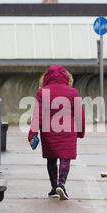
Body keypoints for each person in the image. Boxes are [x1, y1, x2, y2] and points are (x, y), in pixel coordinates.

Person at [28, 65, 85, 200]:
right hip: (68, 131)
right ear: (67, 77)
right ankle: (61, 184)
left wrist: (32, 134)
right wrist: (80, 132)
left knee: (51, 159)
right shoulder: (73, 92)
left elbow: (38, 115)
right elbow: (79, 115)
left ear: (46, 77)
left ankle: (54, 188)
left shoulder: (42, 92)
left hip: (48, 131)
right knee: (65, 158)